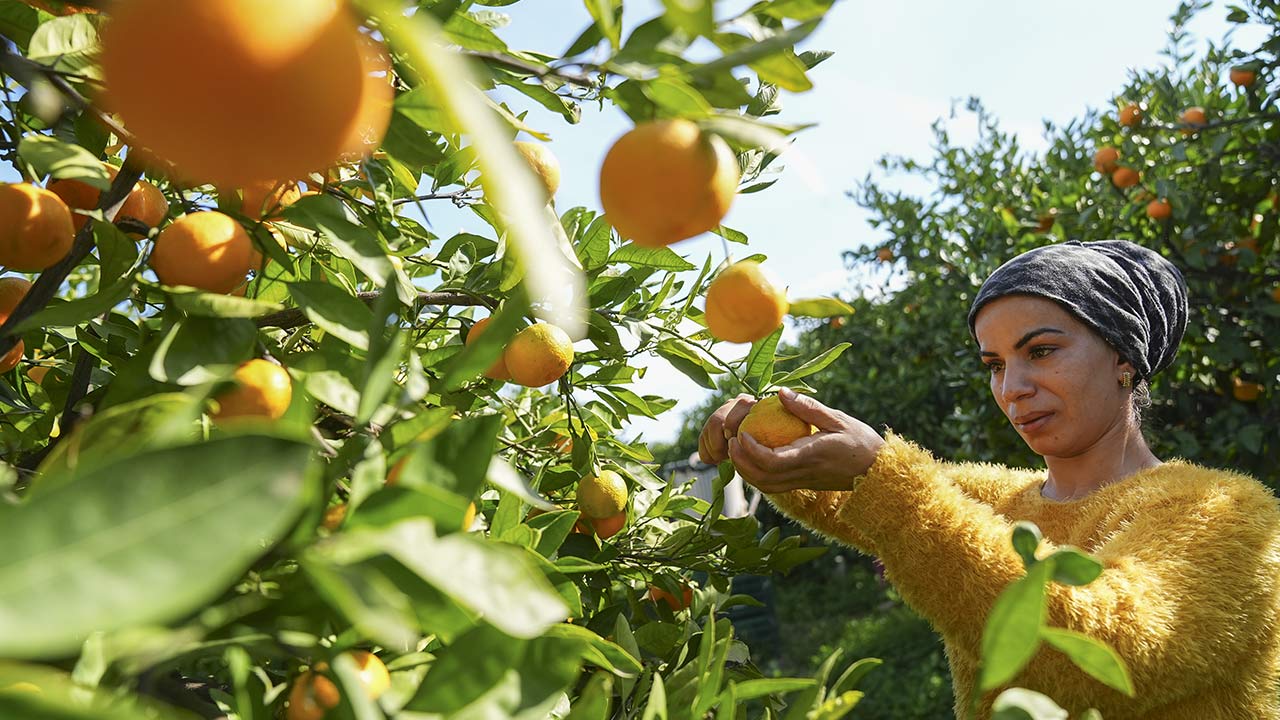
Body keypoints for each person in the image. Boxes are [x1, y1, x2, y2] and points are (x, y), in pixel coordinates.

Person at [698, 240, 1280, 719]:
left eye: (1042, 351)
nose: (1013, 388)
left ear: (1123, 357)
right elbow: (858, 492)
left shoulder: (1226, 512)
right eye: (995, 365)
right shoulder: (1003, 500)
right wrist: (773, 446)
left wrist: (884, 478)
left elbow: (1105, 656)